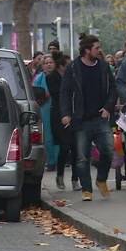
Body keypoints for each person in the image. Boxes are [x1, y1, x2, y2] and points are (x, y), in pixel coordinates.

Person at [60, 34, 117, 201]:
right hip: (81, 119)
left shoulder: (104, 67)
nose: (99, 51)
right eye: (96, 48)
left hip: (100, 117)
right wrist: (65, 113)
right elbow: (65, 92)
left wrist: (108, 107)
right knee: (82, 156)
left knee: (108, 150)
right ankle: (87, 189)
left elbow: (113, 89)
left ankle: (101, 179)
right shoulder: (73, 68)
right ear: (87, 50)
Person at [47, 52, 80, 191]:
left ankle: (75, 179)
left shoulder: (74, 77)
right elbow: (57, 94)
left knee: (76, 148)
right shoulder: (52, 78)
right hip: (59, 115)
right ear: (61, 66)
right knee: (64, 146)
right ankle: (60, 175)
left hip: (73, 114)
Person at [34, 54, 59, 171]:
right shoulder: (39, 78)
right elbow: (35, 93)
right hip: (45, 109)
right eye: (46, 63)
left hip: (58, 109)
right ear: (43, 66)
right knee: (48, 136)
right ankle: (51, 161)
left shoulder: (59, 76)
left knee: (58, 135)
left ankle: (60, 160)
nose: (49, 65)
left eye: (51, 62)